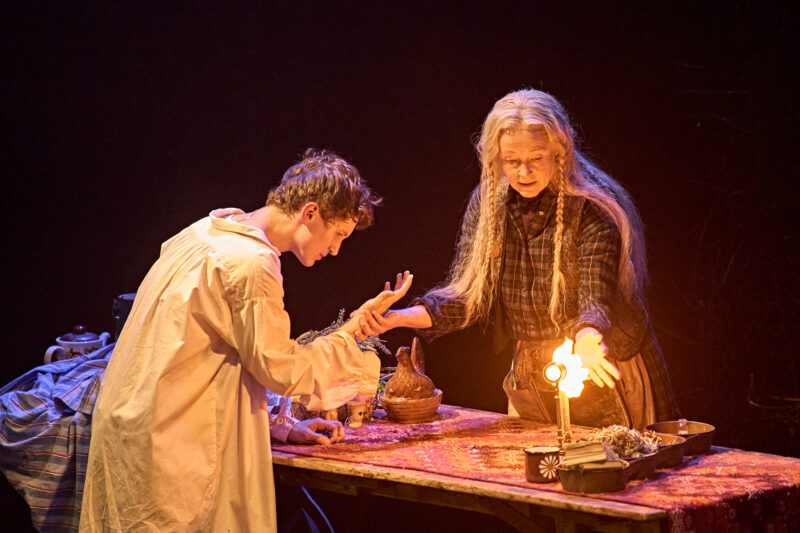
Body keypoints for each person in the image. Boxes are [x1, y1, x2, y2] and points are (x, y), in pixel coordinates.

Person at [80, 149, 412, 531]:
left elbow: (204, 357)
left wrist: (279, 426)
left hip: (129, 427)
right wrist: (352, 331)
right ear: (310, 213)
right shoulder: (251, 263)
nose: (335, 249)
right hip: (169, 448)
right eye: (338, 234)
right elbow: (282, 369)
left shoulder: (202, 232)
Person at [360, 89, 680, 430]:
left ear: (560, 150)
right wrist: (397, 318)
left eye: (536, 158)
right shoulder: (489, 203)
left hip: (602, 364)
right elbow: (468, 297)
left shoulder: (592, 208)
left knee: (619, 458)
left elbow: (594, 297)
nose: (523, 172)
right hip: (535, 374)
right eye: (511, 161)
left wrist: (588, 340)